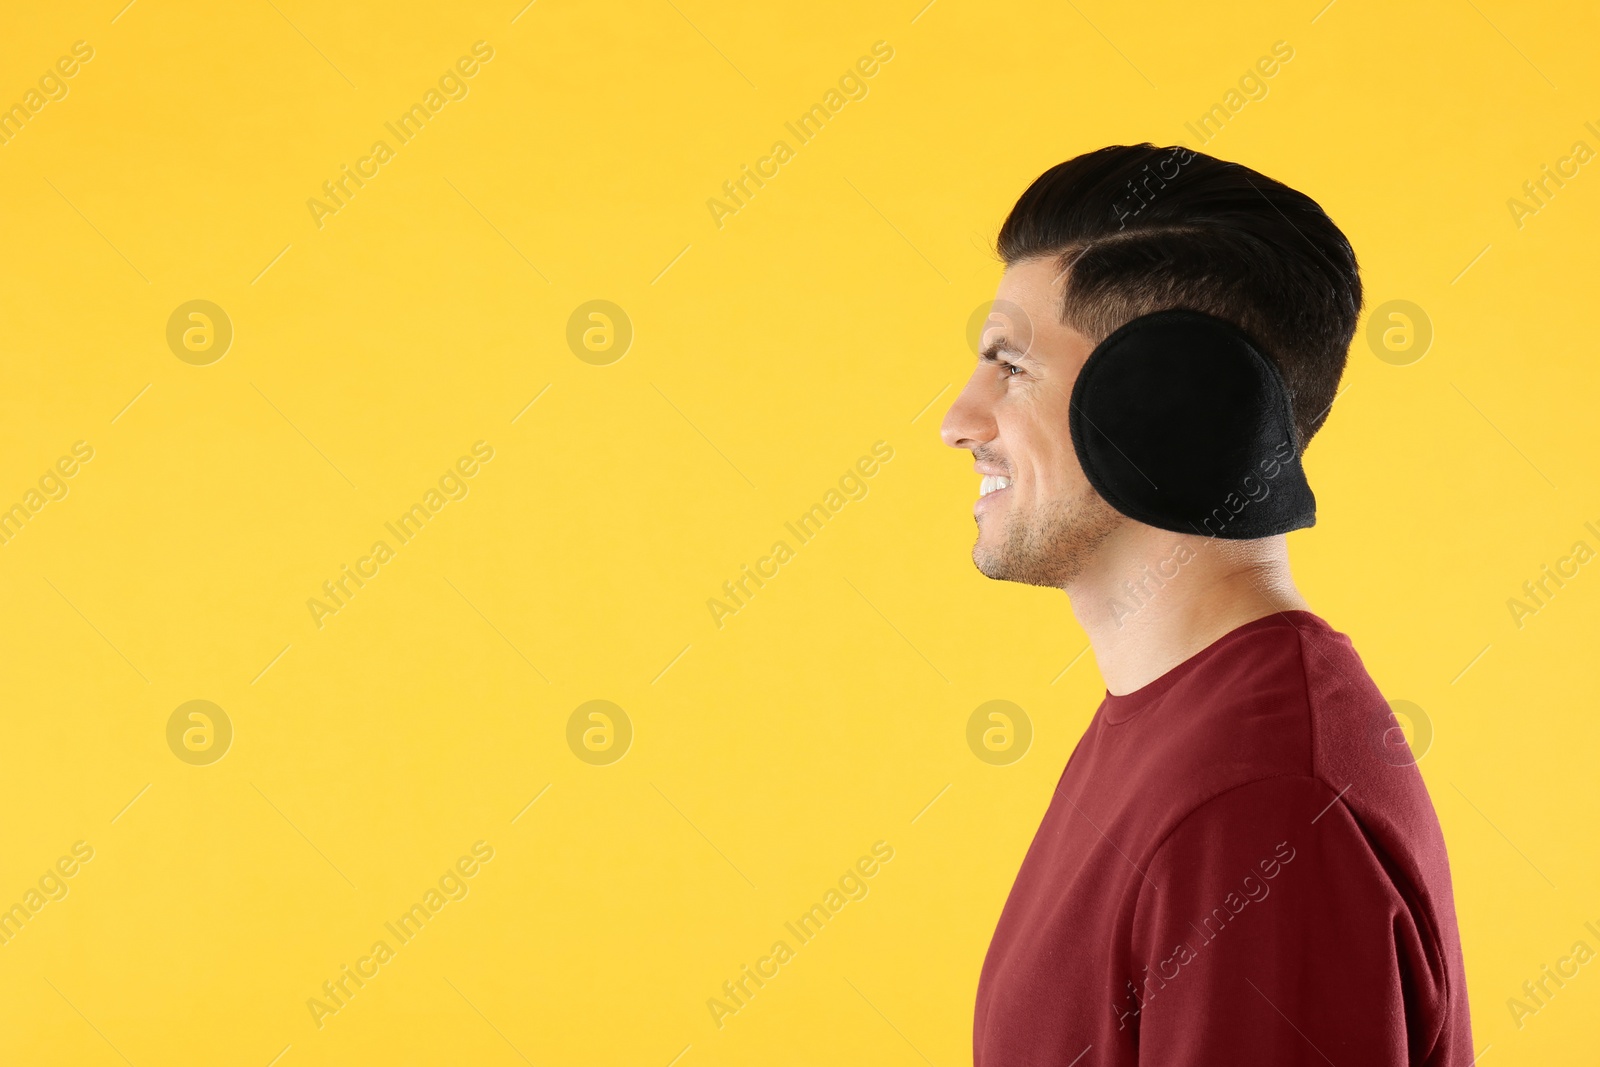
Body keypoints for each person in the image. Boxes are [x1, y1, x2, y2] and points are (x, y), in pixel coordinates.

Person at [942, 143, 1473, 1065]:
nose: (958, 419)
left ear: (1165, 400)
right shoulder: (1180, 727)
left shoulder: (1256, 808)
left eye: (1010, 366)